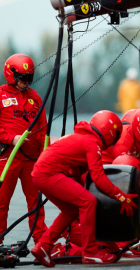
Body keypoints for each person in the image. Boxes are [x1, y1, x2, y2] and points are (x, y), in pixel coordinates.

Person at [30, 110, 138, 266]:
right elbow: (98, 177)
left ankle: (43, 247)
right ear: (108, 132)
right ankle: (90, 252)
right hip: (49, 174)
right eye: (114, 137)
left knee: (72, 210)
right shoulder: (92, 143)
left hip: (40, 174)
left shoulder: (84, 138)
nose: (112, 143)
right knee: (88, 201)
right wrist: (120, 196)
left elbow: (78, 173)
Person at [0, 54, 48, 244]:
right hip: (8, 157)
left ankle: (41, 241)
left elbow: (43, 128)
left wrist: (45, 155)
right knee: (2, 202)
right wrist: (11, 139)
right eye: (22, 78)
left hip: (32, 159)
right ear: (11, 74)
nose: (26, 82)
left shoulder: (34, 97)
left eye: (29, 78)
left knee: (36, 202)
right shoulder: (1, 95)